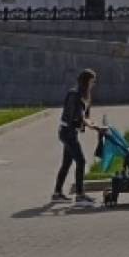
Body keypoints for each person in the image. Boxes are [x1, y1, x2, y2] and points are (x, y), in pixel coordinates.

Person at [52, 68, 99, 205]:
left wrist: (96, 126)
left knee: (67, 163)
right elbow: (77, 116)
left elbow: (85, 118)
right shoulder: (75, 95)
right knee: (81, 161)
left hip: (71, 133)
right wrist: (93, 126)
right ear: (86, 81)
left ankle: (57, 193)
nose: (93, 84)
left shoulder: (85, 96)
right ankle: (80, 195)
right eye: (92, 81)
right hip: (67, 133)